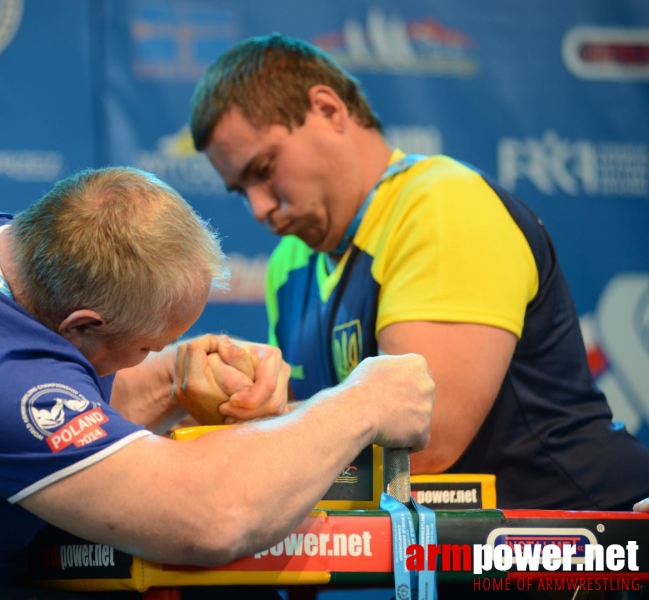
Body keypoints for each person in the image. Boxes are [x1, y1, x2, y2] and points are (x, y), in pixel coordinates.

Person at [0, 166, 434, 599]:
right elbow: (208, 517)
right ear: (81, 324)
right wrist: (364, 401)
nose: (150, 358)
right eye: (147, 345)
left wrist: (174, 378)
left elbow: (45, 394)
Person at [189, 33, 649, 511]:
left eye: (263, 169)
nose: (260, 209)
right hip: (439, 565)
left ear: (328, 109)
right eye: (240, 191)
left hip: (582, 547)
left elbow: (423, 441)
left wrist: (251, 431)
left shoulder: (442, 204)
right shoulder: (290, 263)